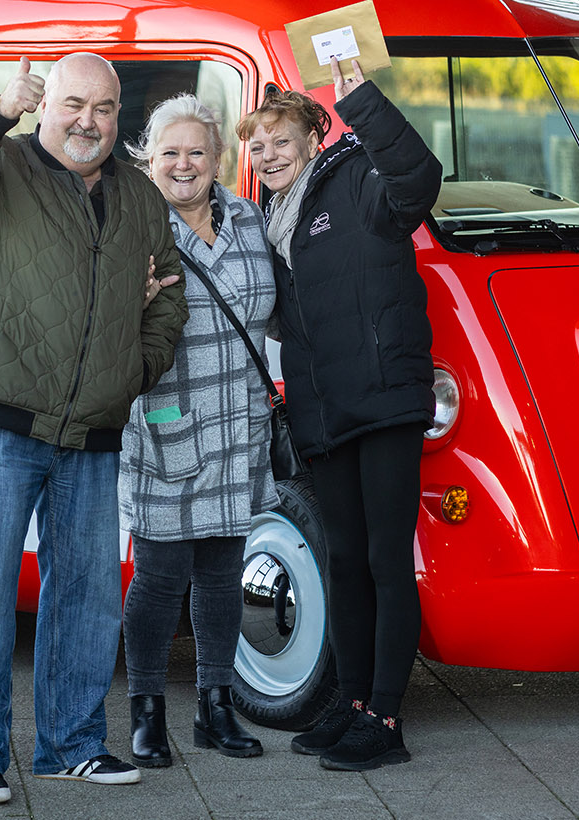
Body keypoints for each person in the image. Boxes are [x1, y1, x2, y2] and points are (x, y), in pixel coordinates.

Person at [0, 53, 187, 805]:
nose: (88, 122)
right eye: (73, 104)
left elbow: (169, 295)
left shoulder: (138, 195)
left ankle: (71, 744)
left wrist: (133, 369)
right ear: (45, 106)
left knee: (89, 599)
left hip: (94, 432)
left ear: (117, 116)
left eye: (103, 109)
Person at [236, 58, 442, 772]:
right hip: (324, 414)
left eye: (278, 137)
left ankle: (385, 718)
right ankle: (353, 704)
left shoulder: (356, 180)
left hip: (383, 400)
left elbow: (419, 178)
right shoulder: (267, 221)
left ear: (313, 132)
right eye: (254, 145)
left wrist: (360, 92)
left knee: (387, 562)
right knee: (345, 563)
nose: (266, 154)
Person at [118, 94, 277, 768]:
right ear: (147, 160)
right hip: (168, 418)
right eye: (169, 153)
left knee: (221, 571)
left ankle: (216, 707)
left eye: (196, 152)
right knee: (158, 576)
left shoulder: (246, 217)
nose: (184, 164)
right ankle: (146, 713)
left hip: (240, 420)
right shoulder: (133, 227)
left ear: (217, 160)